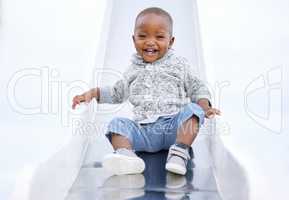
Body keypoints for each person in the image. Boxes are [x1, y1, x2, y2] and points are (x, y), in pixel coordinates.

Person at [72, 7, 220, 175]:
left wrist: (204, 106)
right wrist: (92, 93)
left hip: (174, 129)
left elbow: (197, 86)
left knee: (193, 110)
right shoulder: (133, 70)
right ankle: (127, 157)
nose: (150, 42)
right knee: (116, 125)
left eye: (159, 37)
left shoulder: (179, 65)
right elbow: (116, 93)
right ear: (134, 39)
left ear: (170, 42)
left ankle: (180, 151)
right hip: (143, 132)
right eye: (142, 36)